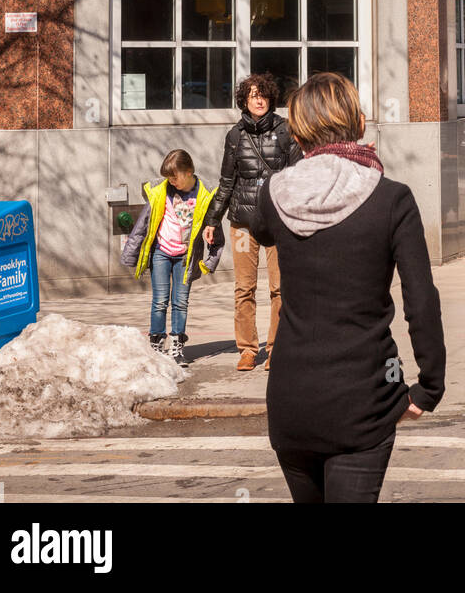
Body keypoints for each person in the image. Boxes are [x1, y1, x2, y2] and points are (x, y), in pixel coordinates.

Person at [245, 71, 446, 504]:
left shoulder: (275, 193)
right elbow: (421, 300)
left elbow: (258, 228)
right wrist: (429, 387)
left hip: (290, 399)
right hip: (363, 400)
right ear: (357, 123)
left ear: (298, 133)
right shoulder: (392, 198)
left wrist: (309, 163)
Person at [202, 73, 302, 371]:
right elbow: (226, 180)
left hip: (277, 222)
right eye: (252, 95)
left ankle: (276, 348)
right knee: (244, 287)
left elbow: (298, 174)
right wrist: (212, 219)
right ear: (244, 100)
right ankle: (247, 349)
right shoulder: (235, 136)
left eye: (263, 95)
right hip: (243, 224)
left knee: (280, 288)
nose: (258, 100)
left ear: (271, 98)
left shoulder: (286, 131)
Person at [121, 149, 224, 366]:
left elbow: (215, 230)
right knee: (160, 301)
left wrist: (211, 259)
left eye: (175, 177)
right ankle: (156, 343)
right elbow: (142, 225)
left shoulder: (204, 196)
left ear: (188, 172)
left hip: (185, 257)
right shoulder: (161, 192)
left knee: (180, 302)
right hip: (161, 252)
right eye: (169, 178)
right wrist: (131, 254)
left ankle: (177, 346)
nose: (172, 181)